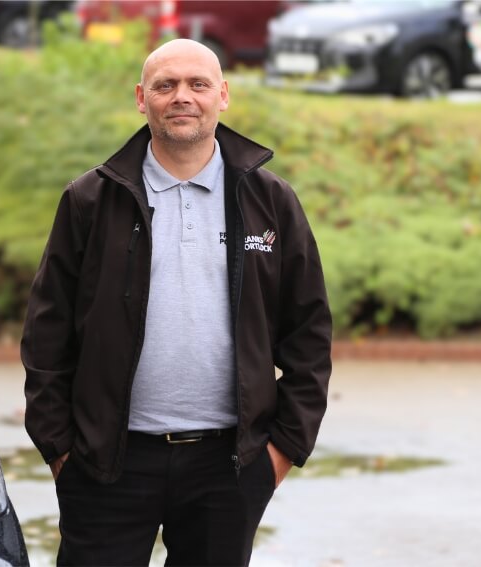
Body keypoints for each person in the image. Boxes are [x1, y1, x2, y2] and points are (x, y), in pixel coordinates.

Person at [21, 38, 332, 566]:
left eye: (198, 84)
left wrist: (279, 454)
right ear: (143, 98)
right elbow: (46, 337)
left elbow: (309, 334)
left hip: (229, 467)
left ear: (223, 96)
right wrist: (62, 451)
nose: (182, 96)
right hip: (106, 465)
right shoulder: (91, 200)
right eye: (166, 85)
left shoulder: (270, 201)